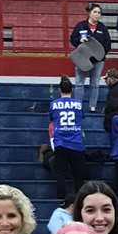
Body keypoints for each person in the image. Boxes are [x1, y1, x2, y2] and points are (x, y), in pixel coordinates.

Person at [48, 76, 86, 204]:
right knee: (78, 175)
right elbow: (82, 117)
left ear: (59, 90)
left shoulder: (54, 104)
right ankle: (79, 200)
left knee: (61, 174)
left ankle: (62, 199)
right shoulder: (78, 104)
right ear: (72, 89)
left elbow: (52, 118)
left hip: (60, 142)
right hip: (76, 142)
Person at [70, 4, 111, 113]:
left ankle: (92, 106)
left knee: (95, 83)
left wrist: (100, 54)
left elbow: (108, 44)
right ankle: (77, 105)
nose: (97, 15)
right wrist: (79, 40)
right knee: (79, 83)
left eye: (99, 13)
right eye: (95, 12)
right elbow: (73, 39)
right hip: (82, 59)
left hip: (98, 60)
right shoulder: (81, 26)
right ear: (89, 13)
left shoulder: (102, 28)